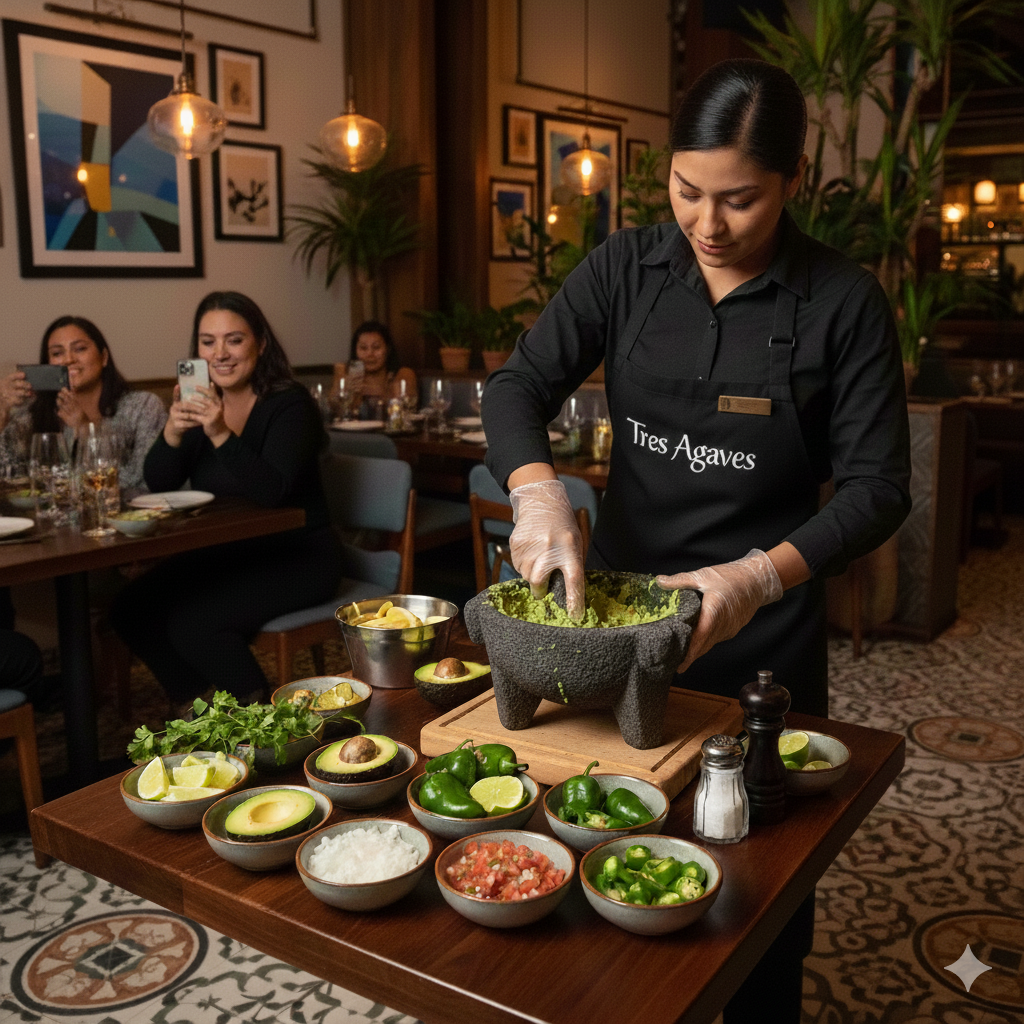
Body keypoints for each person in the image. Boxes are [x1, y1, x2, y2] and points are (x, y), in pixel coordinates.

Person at [481, 59, 911, 1022]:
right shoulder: (625, 268)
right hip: (617, 633)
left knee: (755, 891)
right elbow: (515, 388)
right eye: (686, 191)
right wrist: (538, 494)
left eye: (740, 200)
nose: (707, 225)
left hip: (761, 645)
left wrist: (759, 576)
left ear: (793, 179)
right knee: (610, 866)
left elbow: (881, 489)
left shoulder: (841, 302)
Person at [110, 291, 343, 707]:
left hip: (299, 555)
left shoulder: (290, 404)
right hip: (228, 553)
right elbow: (159, 480)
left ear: (261, 344)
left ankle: (264, 725)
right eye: (207, 341)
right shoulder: (201, 403)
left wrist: (219, 432)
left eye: (234, 340)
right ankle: (195, 702)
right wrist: (173, 432)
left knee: (192, 625)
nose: (220, 353)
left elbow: (273, 491)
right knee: (130, 607)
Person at [0, 316, 166, 497]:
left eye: (79, 349)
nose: (68, 360)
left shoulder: (143, 407)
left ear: (103, 357)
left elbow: (142, 483)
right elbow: (10, 479)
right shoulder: (32, 414)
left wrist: (87, 431)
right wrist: (2, 412)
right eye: (57, 353)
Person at [331, 320, 418, 416]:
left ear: (388, 349)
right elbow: (334, 411)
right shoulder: (347, 375)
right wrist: (341, 380)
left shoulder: (403, 373)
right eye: (363, 348)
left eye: (376, 347)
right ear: (355, 351)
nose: (369, 354)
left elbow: (402, 409)